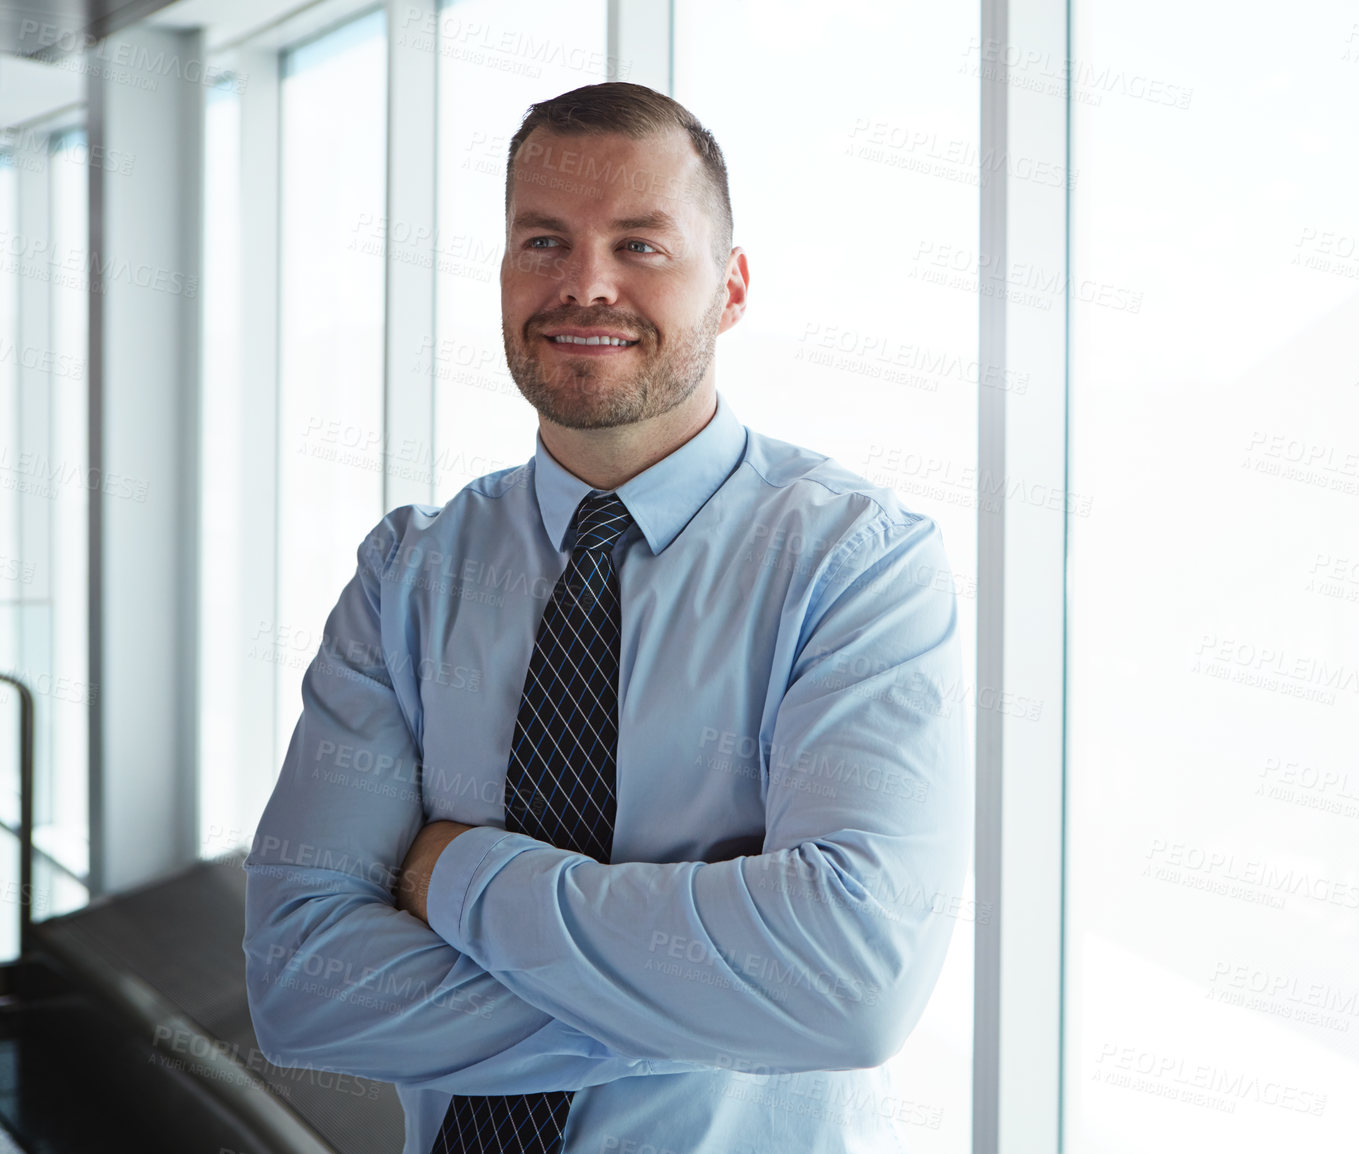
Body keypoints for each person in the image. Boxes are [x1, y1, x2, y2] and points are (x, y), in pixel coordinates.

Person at [242, 81, 969, 1154]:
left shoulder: (852, 565)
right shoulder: (412, 572)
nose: (586, 285)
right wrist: (715, 1001)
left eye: (641, 245)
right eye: (544, 240)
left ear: (731, 289)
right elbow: (304, 983)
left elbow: (847, 986)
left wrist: (456, 873)